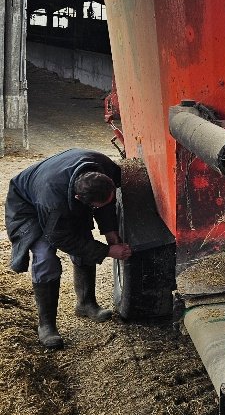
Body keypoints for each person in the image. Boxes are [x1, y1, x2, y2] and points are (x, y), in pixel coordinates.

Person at [5, 148, 132, 349]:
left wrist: (109, 229)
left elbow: (107, 200)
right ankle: (46, 326)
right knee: (45, 256)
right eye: (96, 206)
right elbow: (59, 237)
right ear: (80, 199)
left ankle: (85, 303)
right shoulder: (53, 201)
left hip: (61, 193)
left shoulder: (103, 166)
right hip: (26, 205)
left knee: (84, 239)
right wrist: (106, 251)